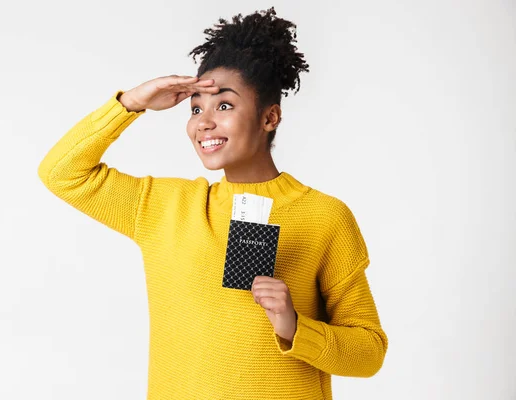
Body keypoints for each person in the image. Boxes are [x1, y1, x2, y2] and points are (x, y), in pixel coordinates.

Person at [38, 6, 387, 400]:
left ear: (269, 117)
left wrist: (294, 327)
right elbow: (61, 173)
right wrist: (130, 103)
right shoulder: (162, 206)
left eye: (224, 105)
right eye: (195, 109)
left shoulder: (324, 216)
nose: (203, 122)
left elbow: (369, 354)